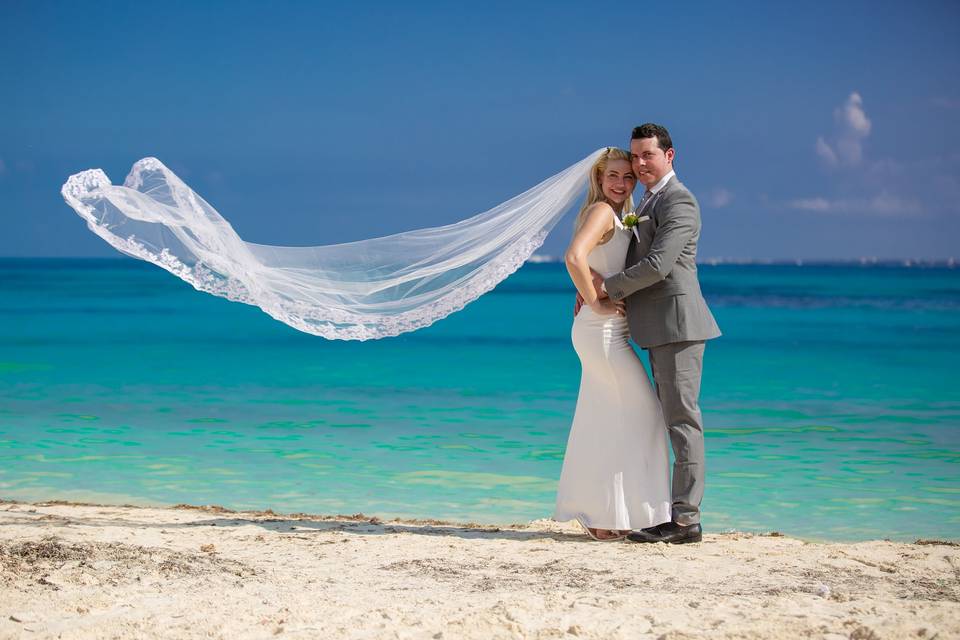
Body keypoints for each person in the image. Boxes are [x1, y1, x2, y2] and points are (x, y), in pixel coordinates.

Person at [595, 124, 722, 544]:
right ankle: (667, 511)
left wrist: (605, 288)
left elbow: (658, 266)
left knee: (683, 422)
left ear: (670, 156)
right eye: (636, 156)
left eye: (648, 155)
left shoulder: (679, 200)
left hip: (679, 325)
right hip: (658, 326)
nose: (640, 163)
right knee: (669, 420)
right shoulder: (648, 200)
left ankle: (686, 521)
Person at [554, 147, 673, 541]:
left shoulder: (622, 215)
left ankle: (604, 515)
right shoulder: (603, 211)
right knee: (648, 415)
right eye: (613, 177)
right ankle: (614, 513)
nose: (622, 184)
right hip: (600, 333)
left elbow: (594, 261)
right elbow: (573, 256)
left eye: (628, 177)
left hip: (606, 332)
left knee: (605, 419)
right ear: (599, 180)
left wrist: (596, 282)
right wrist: (596, 301)